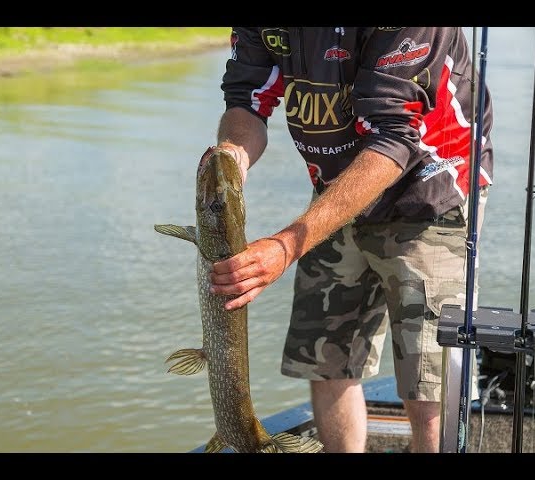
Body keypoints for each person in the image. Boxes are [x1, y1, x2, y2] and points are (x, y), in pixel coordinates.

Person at [207, 27, 493, 453]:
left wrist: (286, 246)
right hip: (336, 189)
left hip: (430, 194)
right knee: (328, 358)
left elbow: (395, 137)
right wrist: (230, 159)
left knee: (429, 383)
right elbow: (247, 98)